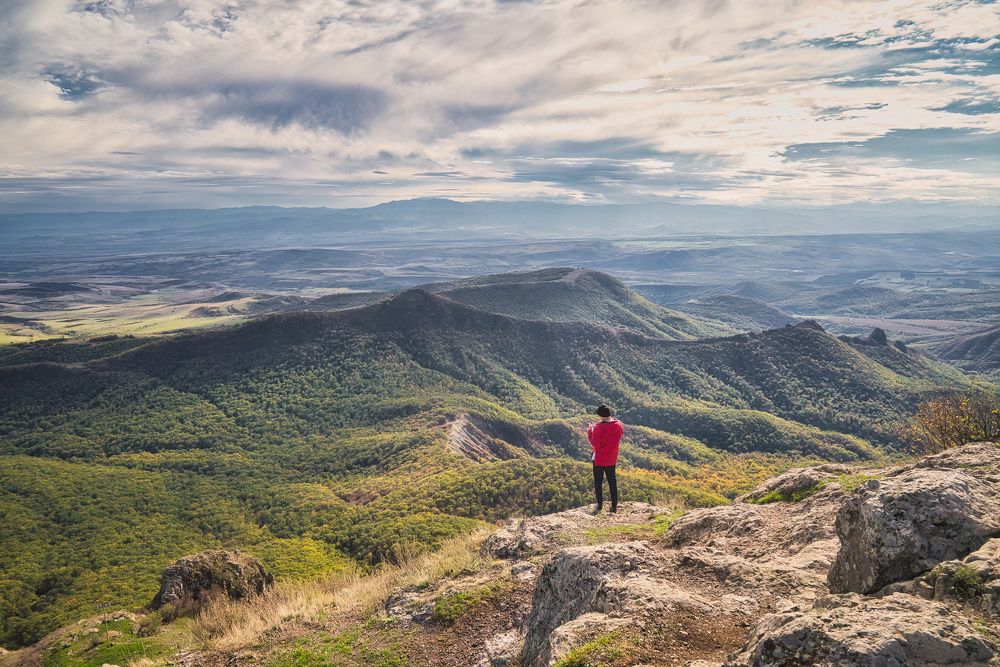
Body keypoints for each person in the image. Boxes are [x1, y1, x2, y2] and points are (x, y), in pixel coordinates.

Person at [587, 403, 623, 513]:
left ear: (601, 416)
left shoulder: (599, 427)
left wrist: (590, 430)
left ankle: (599, 505)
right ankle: (614, 506)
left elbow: (595, 443)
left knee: (598, 482)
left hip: (600, 458)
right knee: (612, 481)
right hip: (611, 458)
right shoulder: (618, 425)